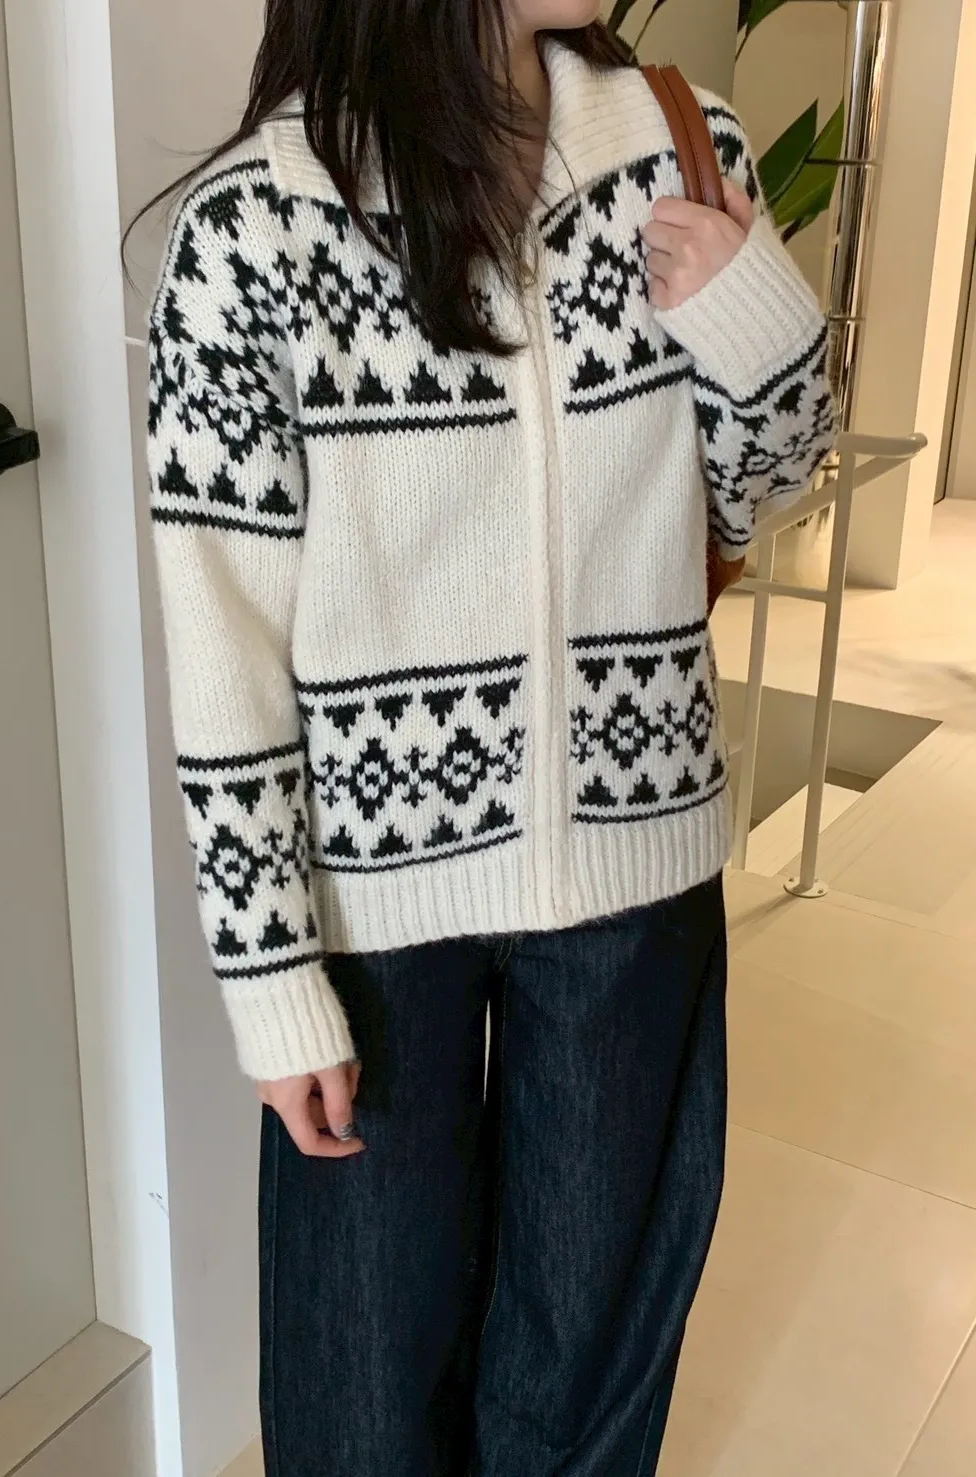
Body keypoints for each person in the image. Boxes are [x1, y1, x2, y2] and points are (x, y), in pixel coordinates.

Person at [141, 1, 834, 1471]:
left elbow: (762, 487)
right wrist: (269, 978)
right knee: (363, 1381)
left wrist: (756, 322)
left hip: (636, 868)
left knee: (588, 1363)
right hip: (373, 911)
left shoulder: (680, 147)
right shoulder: (256, 228)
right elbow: (222, 649)